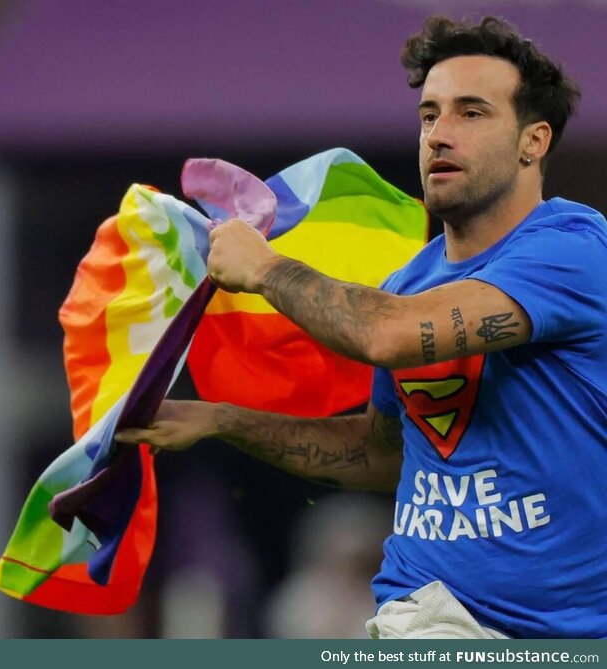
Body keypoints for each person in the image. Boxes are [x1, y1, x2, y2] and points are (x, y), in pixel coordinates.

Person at [115, 16, 607, 639]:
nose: (439, 135)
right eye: (429, 115)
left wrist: (265, 270)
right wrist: (220, 419)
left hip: (565, 632)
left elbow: (389, 335)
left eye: (471, 113)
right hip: (429, 615)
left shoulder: (572, 252)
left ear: (532, 142)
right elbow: (382, 451)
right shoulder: (410, 282)